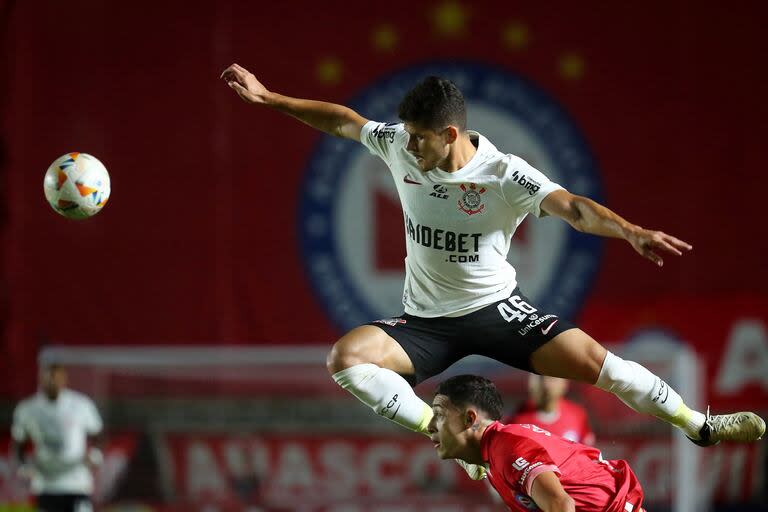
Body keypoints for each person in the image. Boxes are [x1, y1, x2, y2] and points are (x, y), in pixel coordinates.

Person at [220, 64, 765, 478]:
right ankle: (456, 442)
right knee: (347, 359)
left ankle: (700, 426)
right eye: (405, 135)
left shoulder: (505, 175)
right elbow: (345, 122)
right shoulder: (399, 148)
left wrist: (628, 230)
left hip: (498, 311)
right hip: (427, 322)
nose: (406, 144)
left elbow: (573, 207)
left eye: (419, 137)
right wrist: (269, 98)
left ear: (451, 135)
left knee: (602, 363)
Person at [429, 374, 644, 512]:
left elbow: (561, 506)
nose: (430, 425)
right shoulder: (496, 453)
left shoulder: (506, 448)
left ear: (470, 419)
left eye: (438, 415)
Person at [11, 364, 104, 512]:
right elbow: (19, 441)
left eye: (57, 378)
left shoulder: (81, 404)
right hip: (46, 482)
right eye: (49, 379)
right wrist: (23, 466)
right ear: (41, 380)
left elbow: (97, 433)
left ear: (64, 380)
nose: (53, 383)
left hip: (76, 482)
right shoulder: (27, 408)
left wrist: (95, 455)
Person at [505, 375, 595, 445]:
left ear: (565, 383)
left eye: (553, 379)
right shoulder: (520, 418)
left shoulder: (577, 414)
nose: (548, 384)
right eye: (543, 378)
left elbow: (587, 452)